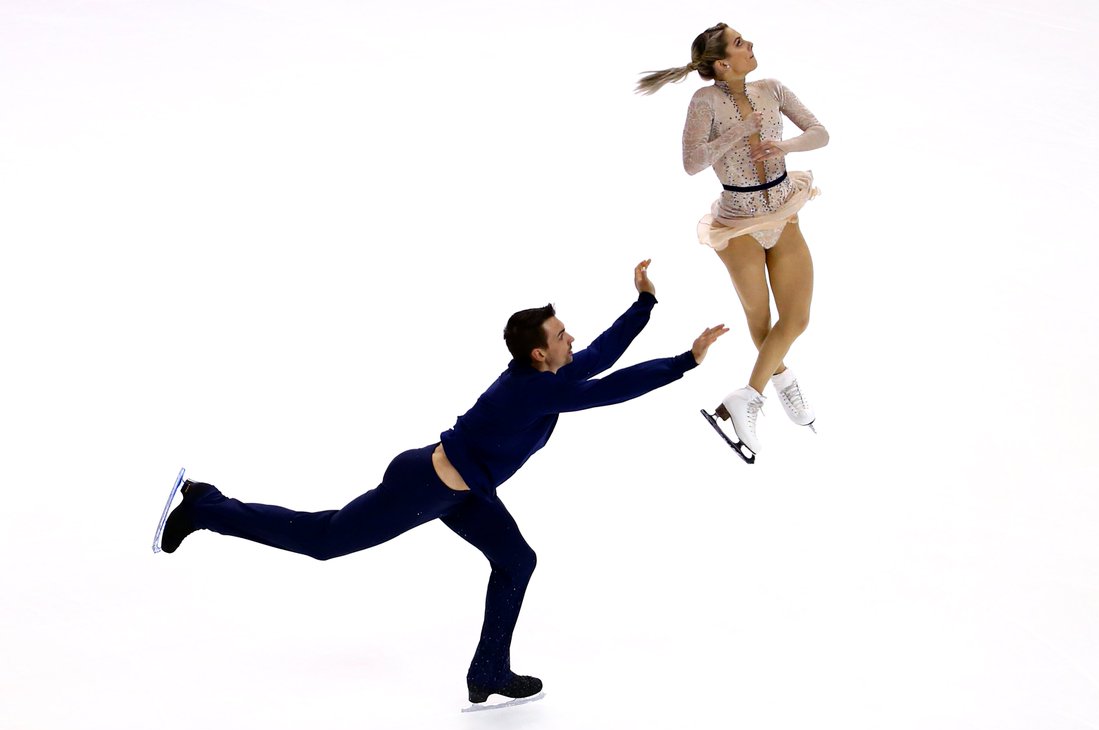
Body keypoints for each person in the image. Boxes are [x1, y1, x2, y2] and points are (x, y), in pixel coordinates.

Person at [154, 260, 727, 706]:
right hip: (425, 486)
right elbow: (609, 388)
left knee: (517, 561)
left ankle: (489, 671)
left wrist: (644, 304)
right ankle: (207, 507)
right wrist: (686, 361)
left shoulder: (544, 375)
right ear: (539, 353)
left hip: (465, 493)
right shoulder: (534, 389)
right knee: (325, 541)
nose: (570, 338)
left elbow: (597, 356)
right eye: (560, 334)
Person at [636, 23, 829, 459]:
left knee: (796, 319)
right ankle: (778, 384)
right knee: (761, 319)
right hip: (738, 221)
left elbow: (820, 133)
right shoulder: (704, 101)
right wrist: (736, 133)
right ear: (723, 63)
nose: (751, 44)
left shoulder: (771, 88)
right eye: (740, 43)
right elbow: (691, 163)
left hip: (783, 208)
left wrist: (785, 146)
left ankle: (750, 395)